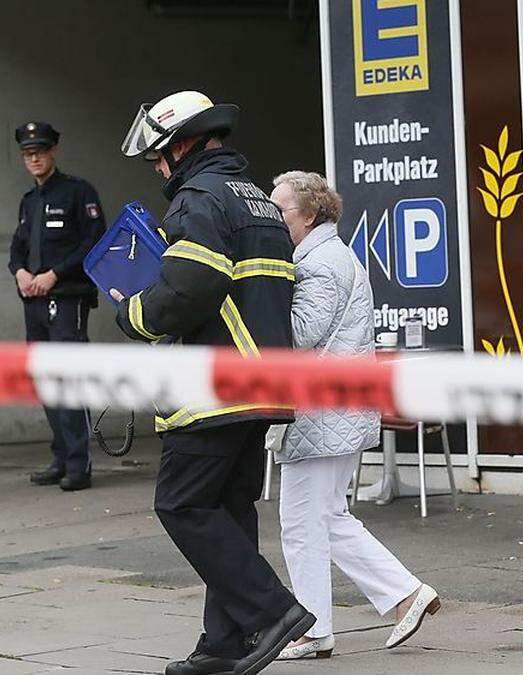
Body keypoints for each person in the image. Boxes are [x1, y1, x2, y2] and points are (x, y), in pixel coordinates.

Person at [111, 90, 313, 675]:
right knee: (228, 508)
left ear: (184, 144)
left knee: (180, 502)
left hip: (219, 385)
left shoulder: (200, 197)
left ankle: (272, 613)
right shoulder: (257, 200)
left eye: (158, 155)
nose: (156, 167)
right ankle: (224, 645)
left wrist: (134, 314)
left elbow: (190, 287)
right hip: (262, 381)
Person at [267, 171, 440, 661]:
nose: (273, 217)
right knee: (327, 518)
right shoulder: (328, 256)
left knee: (302, 524)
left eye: (280, 210)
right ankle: (403, 595)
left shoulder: (318, 264)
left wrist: (263, 294)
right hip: (335, 410)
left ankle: (314, 629)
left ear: (310, 214)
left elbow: (301, 334)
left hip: (321, 413)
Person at [8, 121, 105, 492]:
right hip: (33, 300)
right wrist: (18, 271)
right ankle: (61, 456)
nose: (34, 158)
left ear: (53, 152)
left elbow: (94, 241)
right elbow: (17, 246)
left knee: (68, 377)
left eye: (40, 152)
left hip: (66, 299)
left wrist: (56, 274)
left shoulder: (78, 193)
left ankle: (79, 464)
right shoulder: (29, 201)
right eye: (28, 154)